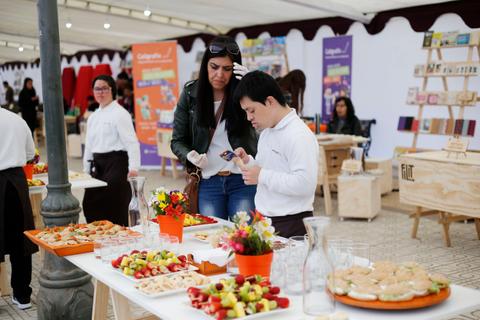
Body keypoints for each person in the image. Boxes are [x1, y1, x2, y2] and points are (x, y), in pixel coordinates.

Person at [171, 35, 257, 220]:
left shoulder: (245, 93)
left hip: (242, 179)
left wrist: (253, 85)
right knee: (212, 240)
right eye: (214, 67)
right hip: (208, 182)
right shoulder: (190, 93)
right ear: (205, 66)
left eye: (227, 69)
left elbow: (271, 111)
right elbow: (177, 141)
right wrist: (189, 156)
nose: (220, 74)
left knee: (245, 241)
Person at [233, 71, 319, 238]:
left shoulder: (298, 135)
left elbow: (305, 184)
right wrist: (249, 162)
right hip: (264, 219)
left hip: (291, 224)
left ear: (269, 101)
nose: (248, 117)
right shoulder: (267, 131)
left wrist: (262, 175)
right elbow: (268, 168)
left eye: (251, 110)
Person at [82, 75, 140, 226]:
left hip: (117, 164)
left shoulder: (120, 114)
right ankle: (98, 237)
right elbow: (89, 145)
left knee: (114, 206)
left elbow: (132, 142)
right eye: (97, 89)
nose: (100, 92)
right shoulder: (93, 117)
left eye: (104, 88)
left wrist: (134, 168)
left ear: (112, 90)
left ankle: (118, 241)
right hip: (97, 165)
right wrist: (85, 170)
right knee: (90, 204)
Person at [0, 108, 38, 310]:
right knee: (20, 240)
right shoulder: (17, 119)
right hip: (16, 181)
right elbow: (30, 153)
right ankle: (22, 295)